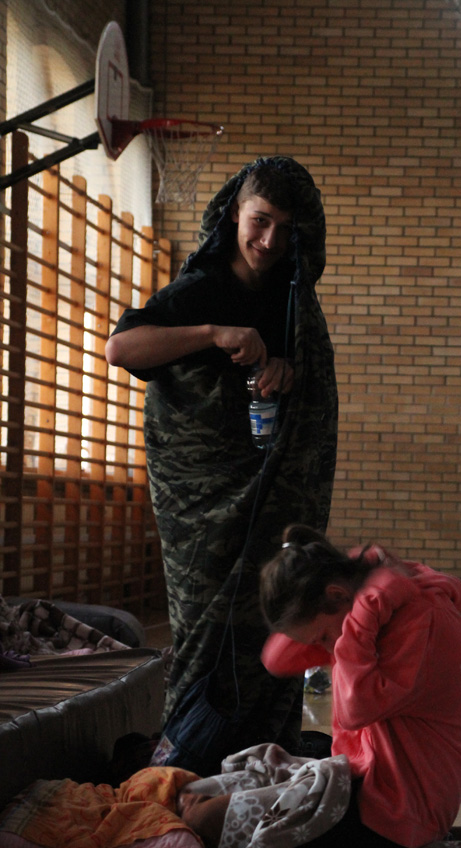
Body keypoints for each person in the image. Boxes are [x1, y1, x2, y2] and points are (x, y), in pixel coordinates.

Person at [105, 156, 338, 775]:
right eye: (260, 221)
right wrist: (211, 333)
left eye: (286, 229)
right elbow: (121, 347)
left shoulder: (291, 298)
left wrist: (285, 372)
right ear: (235, 212)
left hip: (267, 487)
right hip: (201, 498)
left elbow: (298, 388)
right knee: (208, 629)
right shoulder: (202, 285)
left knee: (276, 614)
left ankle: (258, 759)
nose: (269, 241)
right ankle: (188, 762)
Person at [257, 523, 461, 848]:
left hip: (403, 817)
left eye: (323, 636)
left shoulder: (421, 619)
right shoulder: (361, 612)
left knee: (242, 825)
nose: (328, 647)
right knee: (281, 761)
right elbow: (277, 659)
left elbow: (354, 711)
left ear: (340, 597)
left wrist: (361, 616)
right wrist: (357, 580)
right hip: (376, 782)